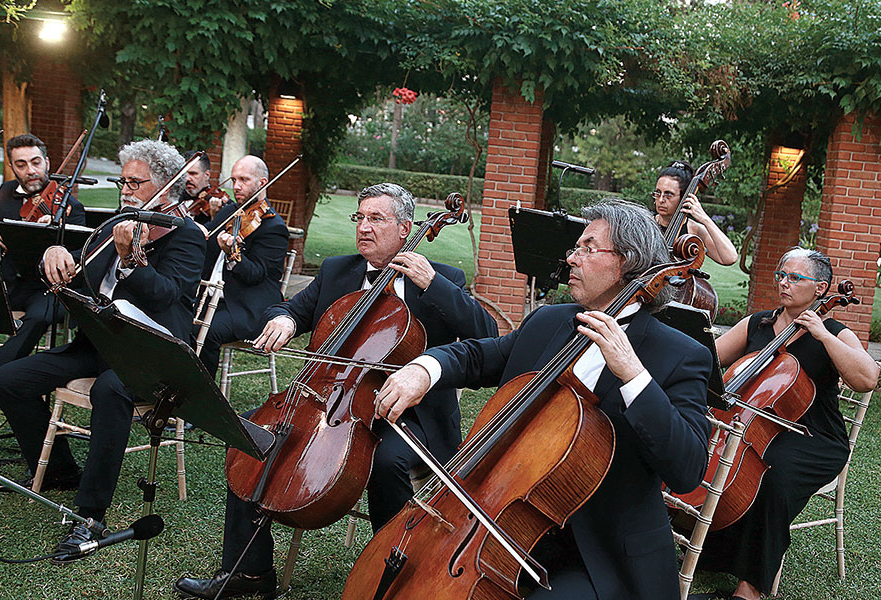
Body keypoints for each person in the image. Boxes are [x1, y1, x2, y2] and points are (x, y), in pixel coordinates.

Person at [374, 199, 714, 600]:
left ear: (627, 262)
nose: (571, 258)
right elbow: (482, 355)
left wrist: (633, 374)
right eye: (576, 247)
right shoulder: (551, 320)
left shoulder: (680, 354)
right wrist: (425, 368)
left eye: (587, 248)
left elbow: (688, 468)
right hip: (503, 522)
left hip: (598, 554)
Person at [174, 182, 498, 599]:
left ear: (405, 228)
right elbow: (291, 307)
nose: (364, 227)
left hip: (409, 418)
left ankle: (394, 572)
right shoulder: (337, 271)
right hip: (328, 404)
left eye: (376, 218)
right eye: (359, 218)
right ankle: (250, 573)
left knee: (385, 464)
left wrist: (434, 283)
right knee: (253, 437)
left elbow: (487, 337)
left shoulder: (440, 279)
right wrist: (286, 321)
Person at [0, 139, 205, 562]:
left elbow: (168, 295)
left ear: (165, 187)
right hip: (98, 343)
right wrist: (54, 253)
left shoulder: (187, 235)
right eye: (124, 181)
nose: (125, 189)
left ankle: (91, 512)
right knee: (6, 378)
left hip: (152, 353)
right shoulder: (114, 225)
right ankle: (61, 470)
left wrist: (131, 259)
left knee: (109, 390)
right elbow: (82, 276)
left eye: (135, 183)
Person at [698, 247, 879, 600]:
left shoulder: (835, 331)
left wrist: (822, 334)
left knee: (772, 476)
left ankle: (749, 589)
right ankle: (710, 550)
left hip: (815, 439)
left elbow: (867, 378)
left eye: (795, 277)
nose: (784, 282)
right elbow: (709, 358)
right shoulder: (758, 323)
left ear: (821, 288)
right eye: (782, 274)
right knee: (695, 446)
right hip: (753, 427)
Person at [0, 133, 87, 421]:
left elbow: (80, 254)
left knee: (38, 318)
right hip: (12, 283)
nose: (30, 171)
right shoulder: (6, 194)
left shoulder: (70, 205)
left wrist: (55, 234)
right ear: (12, 167)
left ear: (47, 162)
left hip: (50, 289)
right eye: (21, 165)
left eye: (35, 162)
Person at [197, 155, 290, 376]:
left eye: (244, 180)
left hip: (249, 305)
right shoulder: (230, 211)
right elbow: (207, 241)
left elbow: (256, 275)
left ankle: (201, 396)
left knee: (205, 332)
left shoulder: (274, 228)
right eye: (234, 179)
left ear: (262, 182)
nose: (236, 186)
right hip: (214, 296)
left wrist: (233, 255)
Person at [652, 160, 739, 266]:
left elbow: (730, 258)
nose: (661, 200)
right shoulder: (645, 223)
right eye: (658, 193)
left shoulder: (694, 230)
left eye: (668, 194)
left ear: (684, 197)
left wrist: (704, 218)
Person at [180, 151, 227, 223]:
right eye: (184, 173)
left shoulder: (221, 200)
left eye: (193, 173)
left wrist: (214, 217)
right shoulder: (176, 198)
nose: (187, 178)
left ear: (207, 175)